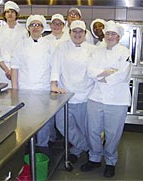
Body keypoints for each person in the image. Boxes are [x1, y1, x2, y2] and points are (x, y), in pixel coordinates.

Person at [80, 21, 132, 178]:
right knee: (93, 131)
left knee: (112, 133)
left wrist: (100, 75)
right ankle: (94, 158)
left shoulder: (124, 52)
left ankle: (110, 161)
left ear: (118, 37)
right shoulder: (97, 51)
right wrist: (108, 72)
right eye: (107, 33)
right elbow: (90, 71)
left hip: (117, 100)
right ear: (104, 35)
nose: (110, 36)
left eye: (113, 34)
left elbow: (122, 75)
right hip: (96, 97)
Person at [51, 20, 96, 163]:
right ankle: (88, 147)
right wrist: (54, 84)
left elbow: (96, 71)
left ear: (85, 33)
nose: (77, 34)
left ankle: (76, 151)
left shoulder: (92, 49)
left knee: (83, 127)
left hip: (86, 94)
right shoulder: (62, 47)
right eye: (74, 31)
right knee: (62, 125)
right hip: (65, 94)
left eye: (80, 31)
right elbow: (55, 67)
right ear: (69, 33)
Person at [11, 15, 55, 147]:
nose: (35, 27)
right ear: (28, 27)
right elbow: (15, 67)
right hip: (25, 88)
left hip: (43, 88)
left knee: (43, 120)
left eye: (38, 25)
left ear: (43, 28)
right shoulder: (21, 44)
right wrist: (14, 89)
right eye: (33, 25)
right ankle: (25, 146)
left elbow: (55, 67)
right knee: (25, 120)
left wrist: (53, 86)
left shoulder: (49, 45)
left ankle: (42, 146)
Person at [0, 1, 28, 87]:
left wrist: (13, 70)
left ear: (16, 15)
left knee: (16, 96)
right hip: (1, 70)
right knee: (1, 98)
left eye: (12, 12)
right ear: (4, 15)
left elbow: (25, 52)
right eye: (7, 12)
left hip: (18, 69)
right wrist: (6, 70)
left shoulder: (23, 31)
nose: (10, 14)